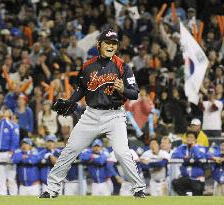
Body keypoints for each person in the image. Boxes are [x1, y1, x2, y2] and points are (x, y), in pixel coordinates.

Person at [39, 28, 146, 198]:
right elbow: (81, 88)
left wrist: (123, 89)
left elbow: (134, 93)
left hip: (114, 115)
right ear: (99, 44)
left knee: (121, 152)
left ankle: (138, 188)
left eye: (114, 43)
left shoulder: (123, 66)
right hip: (91, 115)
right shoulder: (87, 66)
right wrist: (71, 101)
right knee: (70, 150)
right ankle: (52, 189)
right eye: (108, 43)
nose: (111, 46)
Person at [0, 107, 19, 195]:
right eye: (2, 111)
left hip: (9, 153)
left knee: (11, 178)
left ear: (10, 114)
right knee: (0, 178)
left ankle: (14, 198)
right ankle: (2, 199)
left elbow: (15, 139)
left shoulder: (13, 125)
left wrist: (12, 151)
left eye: (6, 111)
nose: (3, 113)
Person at [172, 131, 206, 196]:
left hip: (197, 179)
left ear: (195, 139)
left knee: (197, 195)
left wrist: (194, 148)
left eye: (191, 137)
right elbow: (174, 155)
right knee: (175, 182)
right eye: (188, 137)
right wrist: (184, 157)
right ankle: (185, 198)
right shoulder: (182, 147)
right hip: (185, 178)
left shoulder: (200, 148)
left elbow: (199, 157)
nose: (189, 139)